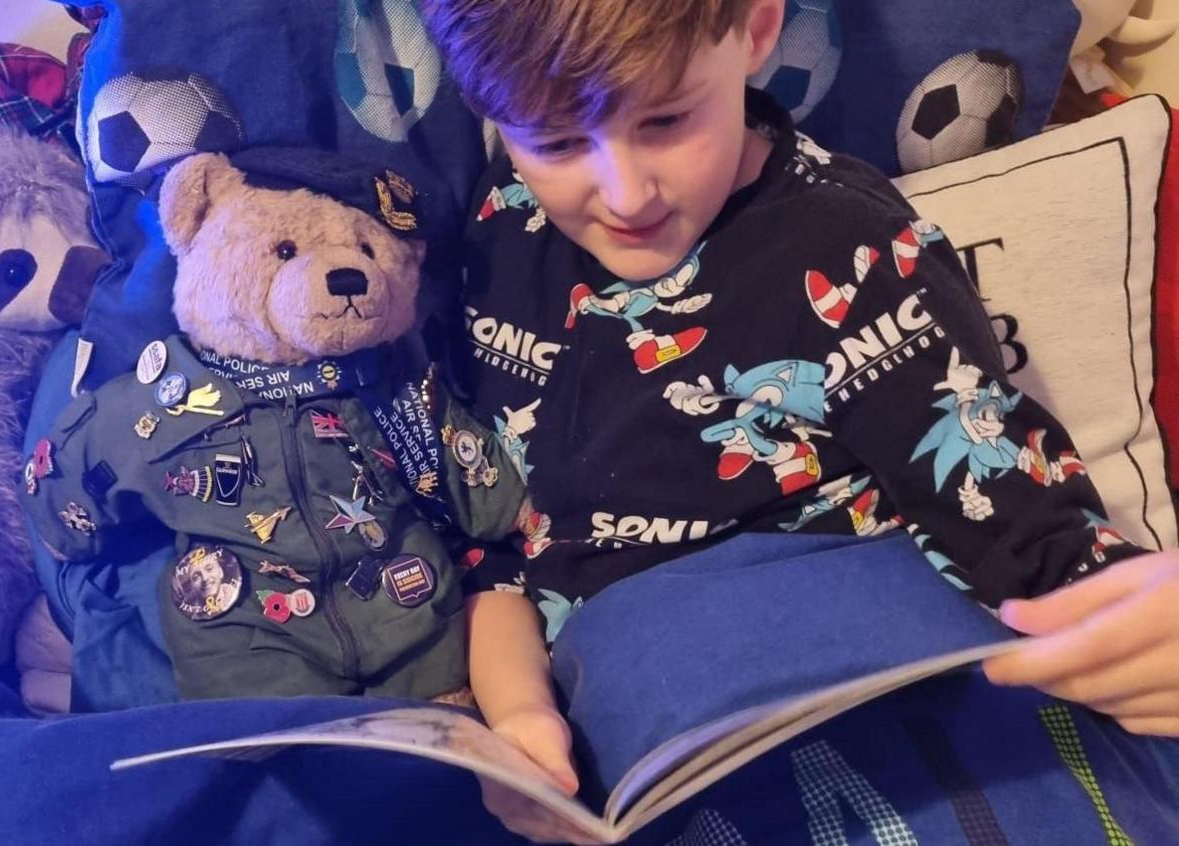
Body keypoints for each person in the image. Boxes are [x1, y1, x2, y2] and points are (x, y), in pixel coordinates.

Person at [419, 0, 1179, 840]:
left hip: (864, 661)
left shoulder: (848, 247)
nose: (625, 194)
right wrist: (520, 723)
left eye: (668, 119)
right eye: (556, 143)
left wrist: (1129, 617)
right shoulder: (499, 237)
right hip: (641, 716)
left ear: (755, 28)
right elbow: (501, 551)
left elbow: (1016, 523)